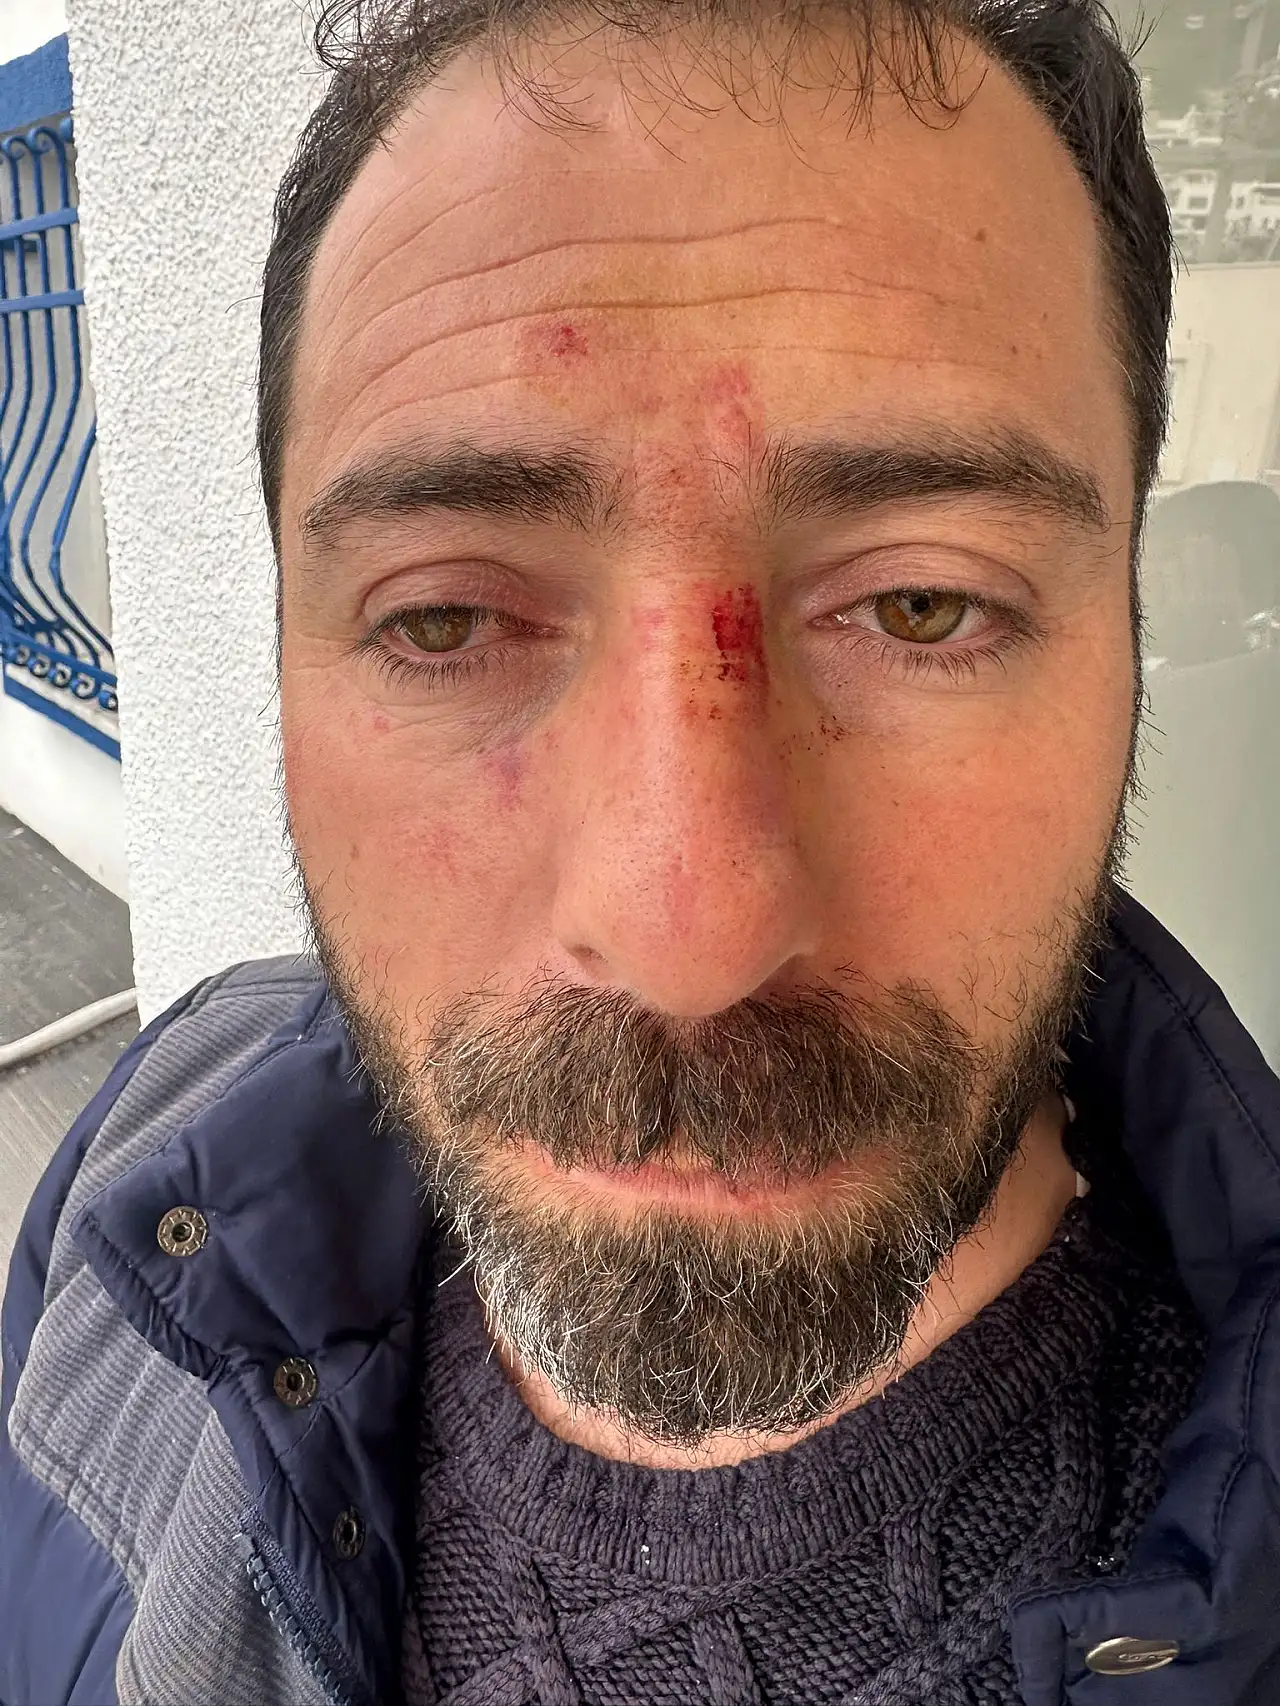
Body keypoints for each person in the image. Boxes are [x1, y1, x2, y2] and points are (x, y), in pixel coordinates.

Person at [3, 0, 1279, 1701]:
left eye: (921, 603)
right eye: (447, 617)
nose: (690, 933)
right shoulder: (148, 1151)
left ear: (1130, 642)